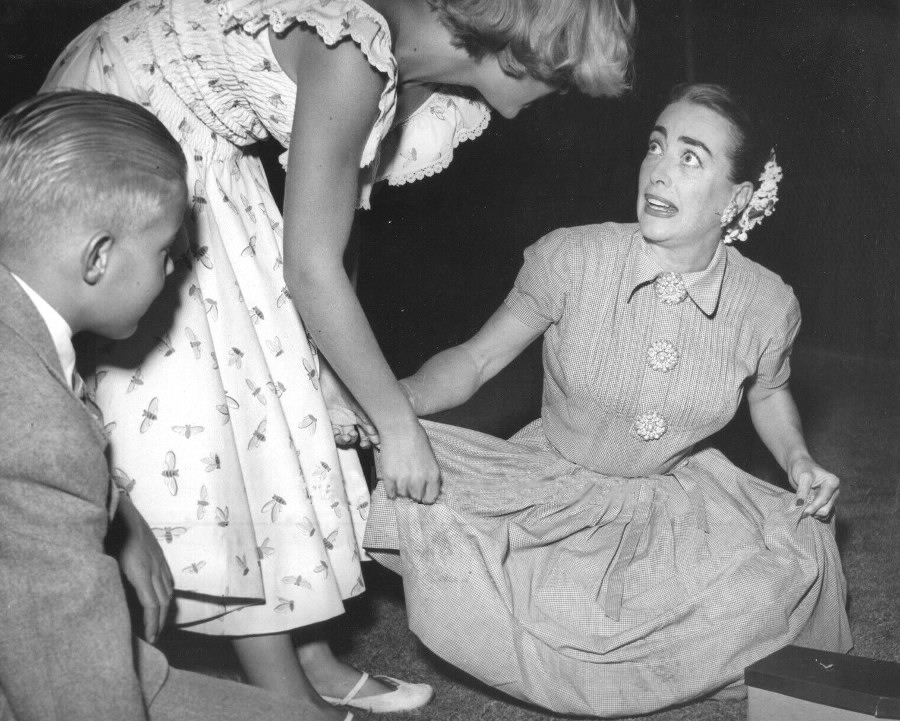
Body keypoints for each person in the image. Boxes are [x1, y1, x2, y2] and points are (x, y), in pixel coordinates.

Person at [39, 0, 637, 713]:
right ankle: (281, 692)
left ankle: (312, 652)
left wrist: (327, 375)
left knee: (282, 365)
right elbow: (311, 270)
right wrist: (399, 426)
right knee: (230, 395)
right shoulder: (357, 50)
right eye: (562, 82)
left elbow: (332, 241)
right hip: (122, 118)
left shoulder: (415, 76)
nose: (557, 102)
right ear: (521, 55)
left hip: (204, 137)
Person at [363, 83, 853, 717]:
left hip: (674, 501)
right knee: (435, 515)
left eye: (690, 157)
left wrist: (799, 462)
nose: (658, 170)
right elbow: (475, 360)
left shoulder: (766, 303)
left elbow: (770, 392)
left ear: (736, 200)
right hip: (552, 488)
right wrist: (388, 402)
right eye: (657, 145)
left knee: (793, 560)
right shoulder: (573, 256)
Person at [0, 90, 349, 721]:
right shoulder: (34, 427)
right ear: (98, 257)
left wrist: (120, 516)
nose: (172, 274)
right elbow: (74, 695)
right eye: (166, 253)